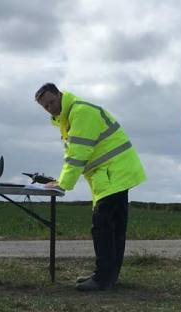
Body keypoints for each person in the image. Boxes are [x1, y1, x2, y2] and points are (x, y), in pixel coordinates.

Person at [35, 83, 146, 291]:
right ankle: (109, 277)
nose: (49, 107)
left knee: (102, 227)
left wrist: (62, 184)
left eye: (51, 101)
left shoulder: (81, 112)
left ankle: (102, 279)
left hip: (113, 174)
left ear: (60, 95)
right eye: (45, 106)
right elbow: (76, 154)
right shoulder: (70, 116)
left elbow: (78, 154)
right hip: (114, 174)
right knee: (114, 229)